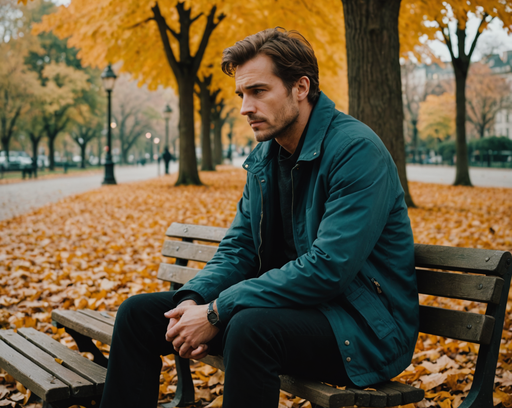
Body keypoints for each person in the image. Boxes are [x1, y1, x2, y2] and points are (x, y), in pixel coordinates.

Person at [99, 28, 419, 408]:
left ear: (301, 88)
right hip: (287, 310)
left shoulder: (356, 152)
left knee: (251, 330)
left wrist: (217, 311)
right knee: (138, 315)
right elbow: (239, 248)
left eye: (258, 92)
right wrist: (194, 299)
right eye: (242, 94)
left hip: (362, 328)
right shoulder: (267, 155)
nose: (244, 108)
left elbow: (328, 269)